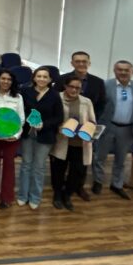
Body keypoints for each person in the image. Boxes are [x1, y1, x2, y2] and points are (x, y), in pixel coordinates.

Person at [93, 60, 133, 199]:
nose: (123, 72)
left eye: (126, 70)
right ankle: (98, 181)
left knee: (121, 159)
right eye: (119, 69)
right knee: (100, 156)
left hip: (127, 129)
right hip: (107, 126)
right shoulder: (105, 85)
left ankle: (116, 184)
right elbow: (97, 105)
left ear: (132, 72)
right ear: (114, 71)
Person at [17, 67, 63, 210]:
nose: (42, 79)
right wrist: (27, 120)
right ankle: (22, 195)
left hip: (45, 135)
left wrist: (44, 124)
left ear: (50, 79)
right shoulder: (25, 92)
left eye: (45, 77)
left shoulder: (55, 95)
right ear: (34, 78)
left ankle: (35, 197)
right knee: (26, 165)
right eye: (39, 76)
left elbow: (59, 117)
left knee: (39, 167)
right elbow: (20, 110)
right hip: (27, 133)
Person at [50, 76, 96, 211]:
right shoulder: (56, 98)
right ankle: (57, 194)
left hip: (80, 143)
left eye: (78, 88)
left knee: (76, 171)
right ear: (65, 86)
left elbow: (92, 121)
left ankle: (67, 194)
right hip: (61, 141)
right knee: (58, 170)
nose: (74, 90)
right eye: (71, 87)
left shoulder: (86, 102)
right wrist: (61, 128)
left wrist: (90, 129)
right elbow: (51, 118)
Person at [0, 69, 25, 210]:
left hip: (11, 138)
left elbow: (21, 118)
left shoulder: (17, 97)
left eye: (9, 79)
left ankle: (6, 198)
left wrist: (15, 135)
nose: (6, 81)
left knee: (9, 165)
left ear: (12, 82)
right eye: (3, 78)